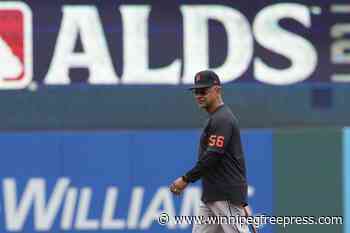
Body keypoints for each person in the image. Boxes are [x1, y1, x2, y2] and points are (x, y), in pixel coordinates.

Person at [169, 70, 252, 233]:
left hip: (225, 193)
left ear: (217, 90)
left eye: (204, 90)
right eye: (196, 91)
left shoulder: (223, 119)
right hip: (212, 195)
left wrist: (186, 179)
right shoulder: (216, 118)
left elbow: (213, 155)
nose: (199, 95)